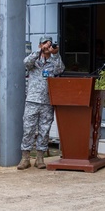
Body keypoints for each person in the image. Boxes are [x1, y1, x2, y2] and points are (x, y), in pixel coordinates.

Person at [19, 37, 65, 170]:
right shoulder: (34, 59)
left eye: (48, 44)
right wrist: (39, 51)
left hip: (47, 101)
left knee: (44, 131)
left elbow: (60, 69)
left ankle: (40, 158)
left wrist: (55, 54)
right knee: (28, 129)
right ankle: (25, 158)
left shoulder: (54, 61)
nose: (47, 46)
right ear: (40, 45)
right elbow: (26, 62)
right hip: (32, 100)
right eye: (45, 43)